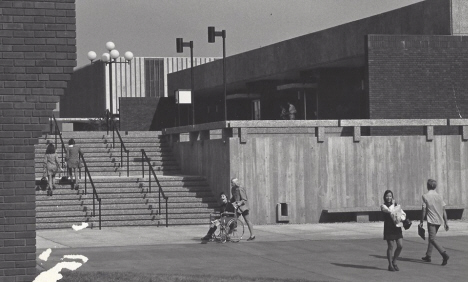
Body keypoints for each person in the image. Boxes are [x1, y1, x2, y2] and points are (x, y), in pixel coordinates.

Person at [420, 179, 450, 265]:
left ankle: (444, 254)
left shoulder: (425, 196)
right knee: (431, 238)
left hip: (431, 220)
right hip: (439, 220)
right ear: (435, 186)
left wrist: (421, 220)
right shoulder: (439, 196)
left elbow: (424, 210)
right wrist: (446, 222)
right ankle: (428, 256)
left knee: (432, 239)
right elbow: (444, 210)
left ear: (427, 186)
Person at [380, 190, 403, 272]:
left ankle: (394, 261)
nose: (388, 198)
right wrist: (394, 204)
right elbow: (390, 211)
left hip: (397, 227)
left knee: (400, 245)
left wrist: (403, 218)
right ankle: (390, 264)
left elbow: (401, 212)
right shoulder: (383, 206)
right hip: (389, 227)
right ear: (384, 197)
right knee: (391, 246)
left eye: (390, 196)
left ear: (392, 197)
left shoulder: (396, 204)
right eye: (387, 196)